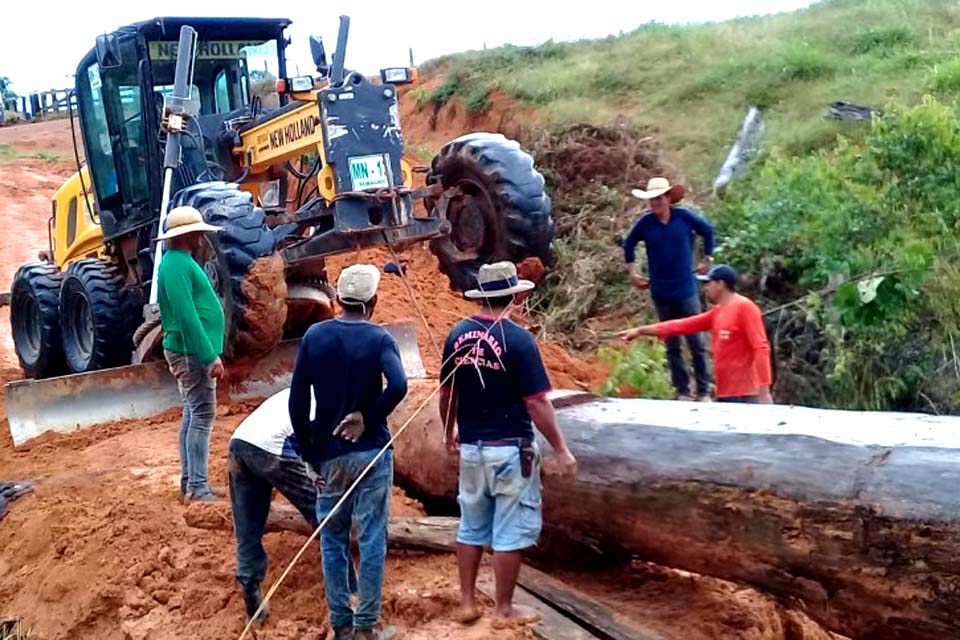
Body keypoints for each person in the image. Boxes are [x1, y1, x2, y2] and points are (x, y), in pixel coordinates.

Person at [439, 261, 578, 628]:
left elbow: (447, 393)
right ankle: (503, 610)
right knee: (509, 531)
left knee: (470, 526)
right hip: (510, 448)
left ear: (481, 297)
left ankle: (467, 602)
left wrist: (448, 432)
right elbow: (537, 402)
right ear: (514, 296)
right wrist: (561, 449)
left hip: (472, 448)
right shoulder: (519, 340)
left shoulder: (457, 334)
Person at [289, 264, 408, 640]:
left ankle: (341, 624)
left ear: (338, 299)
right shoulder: (380, 339)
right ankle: (366, 626)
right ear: (374, 301)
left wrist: (309, 453)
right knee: (372, 538)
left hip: (329, 453)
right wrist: (368, 417)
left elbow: (297, 401)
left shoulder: (315, 336)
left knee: (333, 539)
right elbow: (399, 385)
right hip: (372, 452)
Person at [228, 388, 357, 625]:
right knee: (327, 518)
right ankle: (351, 594)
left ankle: (253, 601)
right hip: (273, 447)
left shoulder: (304, 388)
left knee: (247, 527)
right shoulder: (335, 402)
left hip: (239, 443)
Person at [619, 264, 773, 404]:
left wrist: (764, 392)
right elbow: (681, 325)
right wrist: (641, 330)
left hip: (745, 394)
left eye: (708, 283)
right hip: (725, 393)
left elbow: (761, 348)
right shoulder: (718, 312)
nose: (706, 289)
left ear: (721, 284)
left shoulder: (745, 308)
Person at [623, 176, 715, 401]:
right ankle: (682, 390)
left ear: (668, 198)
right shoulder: (646, 224)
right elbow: (629, 244)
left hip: (686, 290)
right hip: (661, 292)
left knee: (696, 342)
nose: (655, 203)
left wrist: (707, 258)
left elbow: (708, 230)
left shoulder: (683, 217)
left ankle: (704, 390)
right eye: (652, 199)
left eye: (659, 198)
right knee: (672, 344)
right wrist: (633, 272)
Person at [157, 206, 226, 503]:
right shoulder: (176, 265)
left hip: (188, 351)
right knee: (202, 415)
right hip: (190, 353)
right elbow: (186, 315)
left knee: (192, 412)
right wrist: (208, 354)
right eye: (197, 232)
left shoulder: (178, 262)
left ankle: (191, 482)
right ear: (188, 235)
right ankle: (197, 487)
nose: (201, 237)